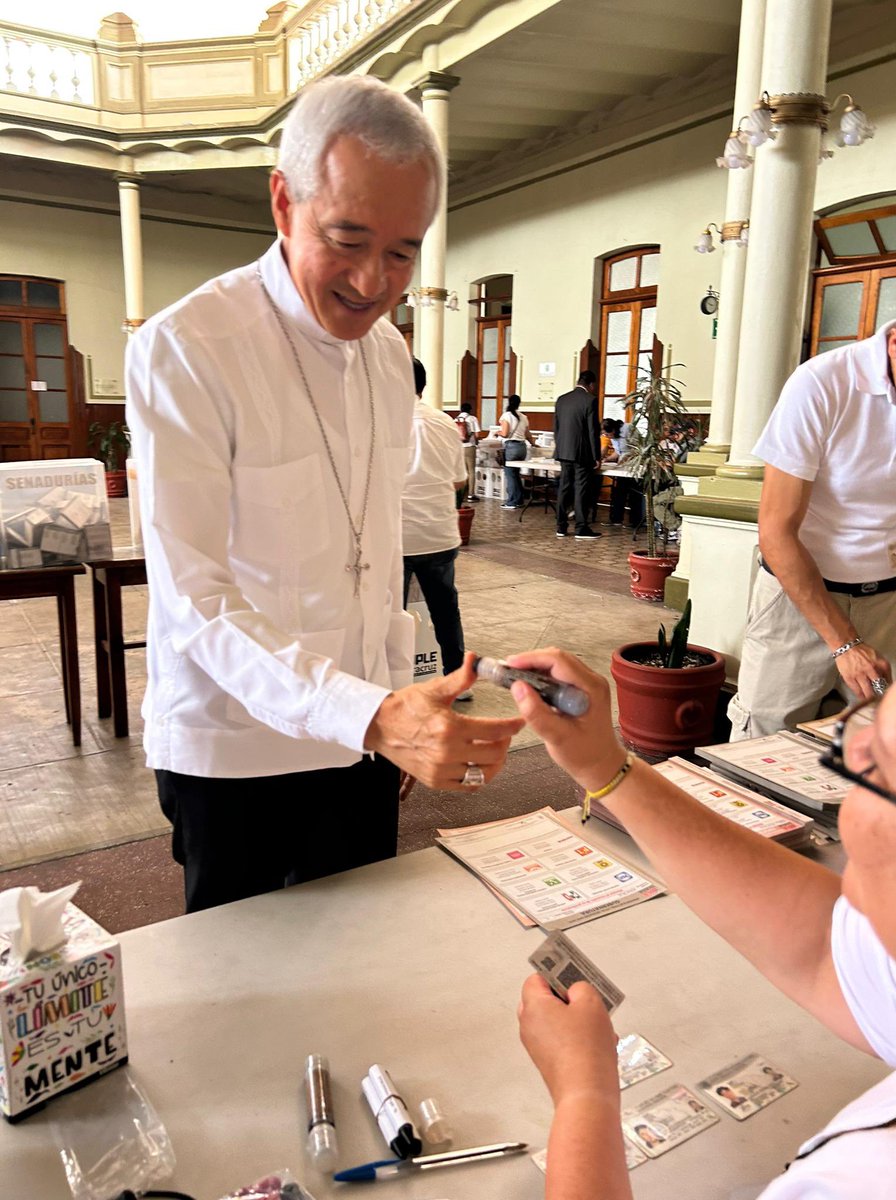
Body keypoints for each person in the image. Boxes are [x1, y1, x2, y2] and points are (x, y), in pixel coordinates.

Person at [126, 75, 522, 913]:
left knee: (366, 960)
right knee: (244, 988)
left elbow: (374, 562)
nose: (373, 282)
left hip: (362, 739)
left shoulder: (385, 358)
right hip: (232, 747)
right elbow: (193, 598)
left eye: (404, 251)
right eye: (345, 239)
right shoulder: (189, 347)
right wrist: (372, 715)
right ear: (282, 202)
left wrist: (391, 711)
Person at [512, 646, 896, 1200]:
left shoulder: (866, 1180)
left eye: (879, 763)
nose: (853, 744)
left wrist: (583, 1094)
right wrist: (605, 766)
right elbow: (821, 949)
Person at [729, 320, 896, 739]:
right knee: (765, 743)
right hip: (799, 601)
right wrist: (844, 644)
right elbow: (776, 532)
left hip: (886, 603)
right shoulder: (823, 383)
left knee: (874, 747)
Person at [401, 356, 471, 698]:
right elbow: (459, 480)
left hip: (399, 537)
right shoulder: (444, 423)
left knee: (391, 618)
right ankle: (456, 681)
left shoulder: (382, 422)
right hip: (440, 535)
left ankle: (394, 684)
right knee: (446, 610)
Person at [553, 370, 602, 540]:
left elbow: (556, 428)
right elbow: (592, 430)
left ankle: (561, 527)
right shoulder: (590, 400)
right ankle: (581, 528)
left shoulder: (562, 399)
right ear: (591, 384)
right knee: (581, 489)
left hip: (563, 451)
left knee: (564, 488)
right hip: (582, 453)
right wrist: (597, 456)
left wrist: (559, 448)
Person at [499, 394, 533, 509]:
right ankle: (519, 499)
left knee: (510, 475)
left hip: (511, 447)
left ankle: (512, 501)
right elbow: (528, 434)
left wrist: (496, 433)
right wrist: (534, 443)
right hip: (522, 448)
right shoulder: (524, 417)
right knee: (516, 474)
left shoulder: (506, 415)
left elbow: (504, 433)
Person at [456, 402, 481, 501]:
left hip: (459, 447)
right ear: (470, 410)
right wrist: (476, 442)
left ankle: (462, 495)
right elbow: (477, 435)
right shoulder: (472, 419)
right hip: (470, 447)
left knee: (463, 471)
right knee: (471, 471)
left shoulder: (456, 419)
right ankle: (471, 495)